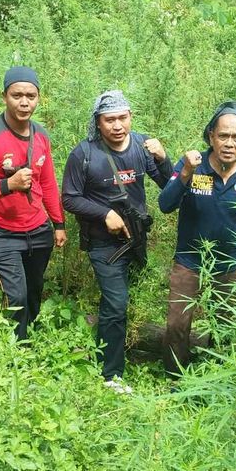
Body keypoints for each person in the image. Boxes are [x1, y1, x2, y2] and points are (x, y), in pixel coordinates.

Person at [62, 90, 173, 393]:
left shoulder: (142, 145)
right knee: (117, 302)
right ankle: (111, 375)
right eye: (109, 119)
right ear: (98, 122)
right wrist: (104, 213)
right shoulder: (83, 154)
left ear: (130, 117)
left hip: (136, 240)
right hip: (103, 245)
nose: (117, 125)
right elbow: (69, 199)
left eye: (122, 117)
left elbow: (170, 187)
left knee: (121, 301)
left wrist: (164, 159)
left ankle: (112, 348)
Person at [159, 100, 236, 375]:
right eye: (223, 135)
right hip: (189, 262)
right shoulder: (193, 165)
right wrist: (186, 173)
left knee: (225, 327)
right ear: (211, 136)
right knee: (177, 325)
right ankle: (175, 379)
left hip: (229, 267)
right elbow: (166, 204)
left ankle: (217, 377)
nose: (228, 143)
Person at [0, 66, 66, 340]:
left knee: (33, 291)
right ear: (4, 96)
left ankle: (28, 338)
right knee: (15, 295)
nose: (24, 102)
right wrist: (8, 185)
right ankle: (14, 352)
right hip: (0, 230)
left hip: (37, 230)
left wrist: (58, 223)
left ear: (39, 98)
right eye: (17, 95)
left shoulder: (41, 135)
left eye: (31, 96)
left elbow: (47, 183)